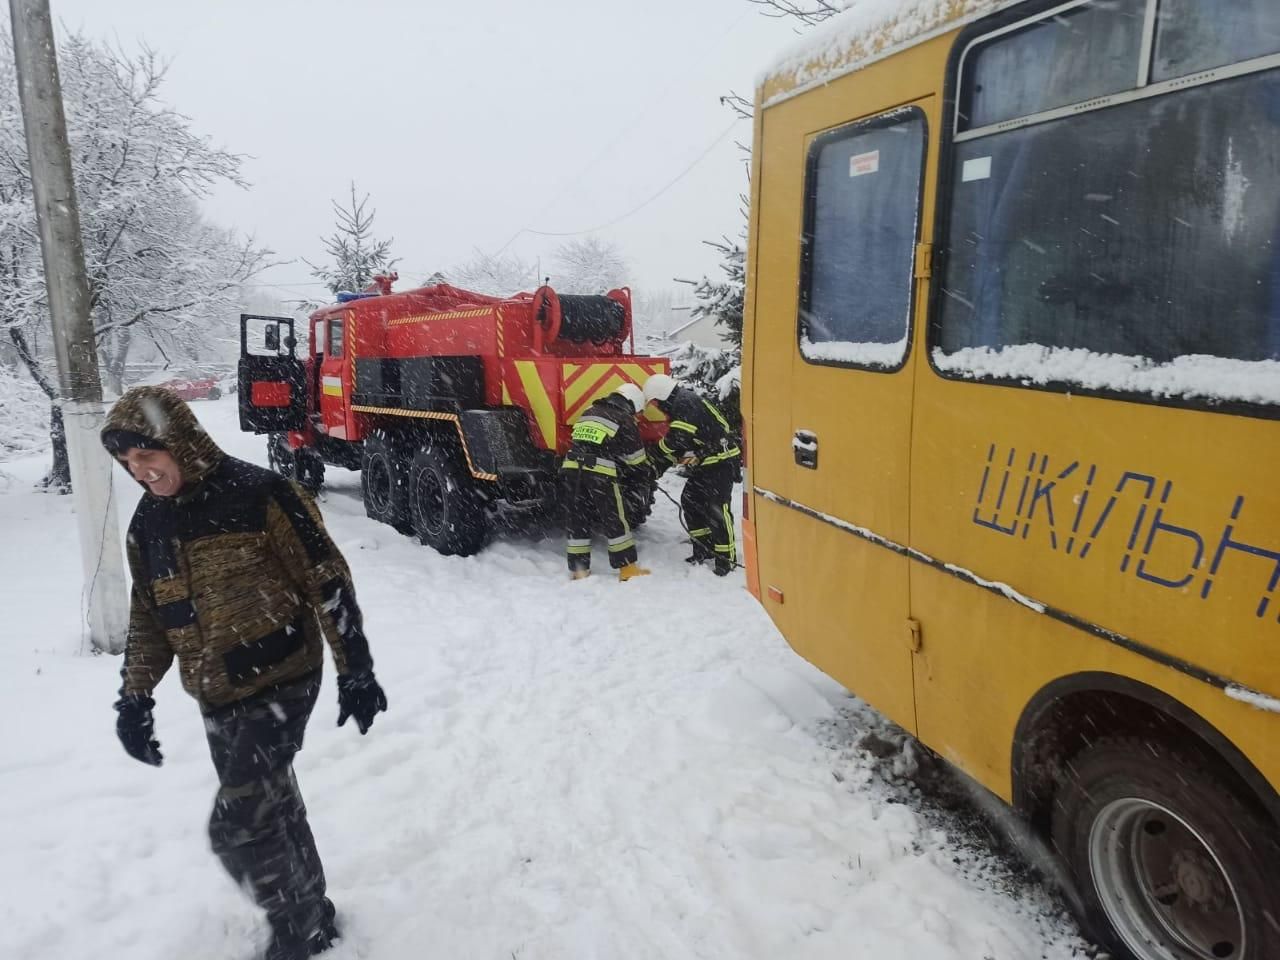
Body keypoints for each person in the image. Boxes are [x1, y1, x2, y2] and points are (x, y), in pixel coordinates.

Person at [100, 386, 388, 960]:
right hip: (214, 691)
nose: (141, 472)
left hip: (281, 678)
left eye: (147, 455)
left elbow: (326, 579)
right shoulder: (147, 524)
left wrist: (355, 667)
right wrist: (135, 697)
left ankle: (296, 931)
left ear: (179, 442)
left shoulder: (261, 494)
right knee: (274, 804)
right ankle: (314, 911)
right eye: (128, 464)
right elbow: (149, 615)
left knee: (238, 825)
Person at [642, 374, 741, 576]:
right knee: (690, 501)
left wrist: (653, 455)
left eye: (655, 403)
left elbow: (675, 441)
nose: (656, 407)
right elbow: (680, 448)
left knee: (717, 509)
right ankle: (703, 549)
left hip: (721, 462)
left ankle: (726, 560)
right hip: (708, 463)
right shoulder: (682, 403)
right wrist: (655, 469)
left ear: (661, 395)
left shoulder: (685, 404)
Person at [560, 382, 651, 581]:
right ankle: (627, 568)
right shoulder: (625, 419)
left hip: (571, 467)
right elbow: (635, 459)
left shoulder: (590, 411)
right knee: (614, 519)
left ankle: (579, 570)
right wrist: (646, 475)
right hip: (599, 472)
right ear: (633, 404)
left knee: (577, 518)